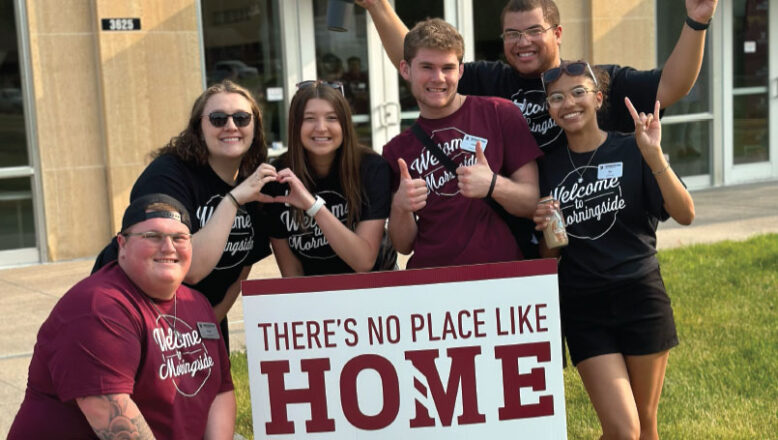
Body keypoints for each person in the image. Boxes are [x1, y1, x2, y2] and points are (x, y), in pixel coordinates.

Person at [533, 61, 694, 439]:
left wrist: (654, 156)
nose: (567, 103)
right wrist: (548, 229)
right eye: (556, 98)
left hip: (641, 297)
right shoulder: (547, 169)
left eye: (577, 93)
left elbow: (685, 213)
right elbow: (548, 257)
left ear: (598, 98)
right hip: (586, 306)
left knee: (646, 427)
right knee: (623, 429)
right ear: (550, 109)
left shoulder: (633, 148)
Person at [9, 194, 235, 439]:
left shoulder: (197, 303)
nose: (169, 247)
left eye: (179, 238)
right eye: (153, 236)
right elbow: (108, 412)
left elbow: (220, 389)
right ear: (122, 244)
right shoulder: (97, 307)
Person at [356, 0, 718, 150]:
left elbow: (671, 86)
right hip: (517, 247)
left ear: (557, 33)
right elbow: (419, 58)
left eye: (533, 31)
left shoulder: (594, 82)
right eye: (512, 34)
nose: (522, 42)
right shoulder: (490, 81)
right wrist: (377, 5)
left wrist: (696, 21)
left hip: (586, 246)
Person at [92, 80, 278, 350]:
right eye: (217, 119)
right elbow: (187, 270)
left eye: (241, 118)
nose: (231, 126)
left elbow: (242, 268)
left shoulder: (254, 180)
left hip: (202, 315)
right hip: (132, 314)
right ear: (198, 129)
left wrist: (208, 324)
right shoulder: (168, 175)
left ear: (255, 126)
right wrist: (233, 200)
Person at [382, 18, 541, 269]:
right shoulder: (396, 151)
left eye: (447, 67)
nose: (438, 78)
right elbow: (404, 245)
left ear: (461, 70)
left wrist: (493, 184)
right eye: (427, 67)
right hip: (432, 285)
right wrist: (401, 207)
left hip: (503, 278)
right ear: (405, 69)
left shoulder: (500, 113)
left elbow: (533, 202)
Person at [265, 80, 394, 276]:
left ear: (345, 124)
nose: (321, 128)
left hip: (373, 289)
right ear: (295, 124)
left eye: (332, 118)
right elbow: (291, 273)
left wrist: (313, 206)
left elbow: (364, 261)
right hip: (315, 295)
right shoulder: (278, 178)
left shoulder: (372, 168)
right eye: (309, 118)